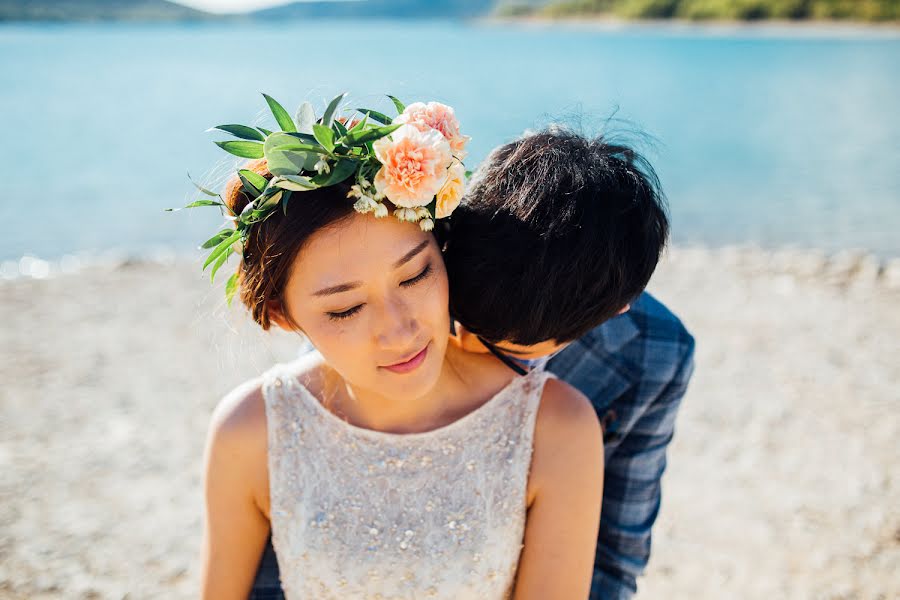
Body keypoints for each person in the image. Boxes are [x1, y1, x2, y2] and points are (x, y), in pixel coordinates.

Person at [248, 126, 695, 600]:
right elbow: (293, 526)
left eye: (511, 353)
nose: (469, 356)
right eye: (465, 321)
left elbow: (613, 561)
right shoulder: (403, 308)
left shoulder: (652, 355)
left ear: (614, 312)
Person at [199, 103, 605, 600]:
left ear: (446, 253)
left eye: (415, 275)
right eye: (346, 308)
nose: (398, 331)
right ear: (284, 316)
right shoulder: (251, 430)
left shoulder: (554, 426)